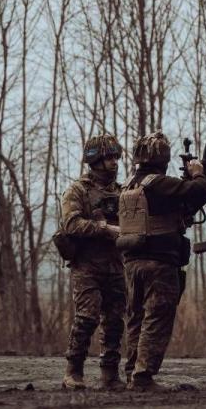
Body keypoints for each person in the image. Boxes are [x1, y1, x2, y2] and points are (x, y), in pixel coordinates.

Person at [117, 132, 206, 391]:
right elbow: (201, 191)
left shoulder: (129, 185)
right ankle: (143, 376)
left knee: (136, 318)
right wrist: (197, 172)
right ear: (163, 157)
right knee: (157, 317)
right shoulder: (158, 184)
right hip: (158, 263)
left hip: (132, 262)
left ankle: (132, 372)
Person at [59, 134, 127, 391]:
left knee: (115, 320)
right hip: (87, 264)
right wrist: (103, 229)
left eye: (116, 157)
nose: (113, 163)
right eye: (108, 158)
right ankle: (73, 371)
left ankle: (110, 374)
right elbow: (70, 223)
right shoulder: (78, 190)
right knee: (87, 317)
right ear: (95, 160)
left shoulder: (123, 192)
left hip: (115, 263)